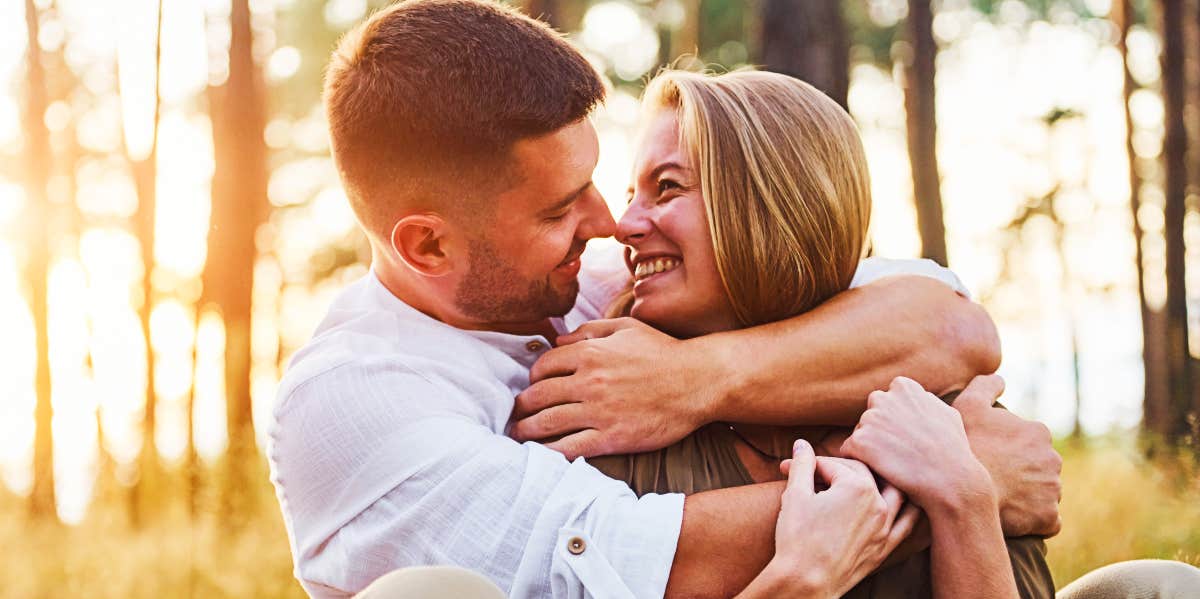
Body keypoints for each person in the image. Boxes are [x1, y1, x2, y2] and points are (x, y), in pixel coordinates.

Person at [267, 1, 1062, 597]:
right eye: (559, 210)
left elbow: (947, 319)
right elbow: (621, 551)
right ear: (428, 246)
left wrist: (700, 377)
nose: (611, 224)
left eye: (602, 185)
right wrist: (944, 481)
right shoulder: (351, 405)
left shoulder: (609, 295)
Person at [562, 68, 1050, 597]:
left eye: (668, 188)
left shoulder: (940, 417)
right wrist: (948, 489)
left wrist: (962, 502)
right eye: (634, 192)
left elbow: (954, 324)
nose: (623, 223)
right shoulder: (601, 414)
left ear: (773, 207)